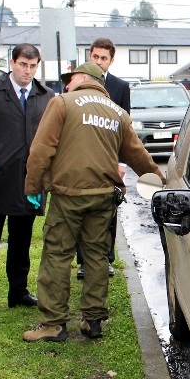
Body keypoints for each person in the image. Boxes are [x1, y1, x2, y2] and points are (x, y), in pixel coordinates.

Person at [22, 62, 164, 342]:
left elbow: (41, 148)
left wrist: (32, 186)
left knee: (57, 255)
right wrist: (161, 181)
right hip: (103, 197)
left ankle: (53, 323)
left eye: (70, 78)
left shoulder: (62, 103)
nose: (66, 84)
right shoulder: (118, 113)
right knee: (97, 256)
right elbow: (138, 155)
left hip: (68, 195)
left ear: (84, 78)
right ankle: (93, 320)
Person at [0, 43, 52, 319]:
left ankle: (18, 291)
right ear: (12, 63)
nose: (27, 71)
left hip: (29, 181)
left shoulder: (46, 96)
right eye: (22, 65)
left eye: (32, 66)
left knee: (22, 240)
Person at [75, 37, 131, 280]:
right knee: (81, 208)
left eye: (103, 58)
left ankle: (106, 258)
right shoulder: (78, 83)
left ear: (111, 60)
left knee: (109, 208)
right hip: (83, 156)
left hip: (109, 157)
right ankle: (83, 261)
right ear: (89, 56)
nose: (99, 62)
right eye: (95, 57)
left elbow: (124, 128)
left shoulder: (120, 87)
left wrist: (122, 162)